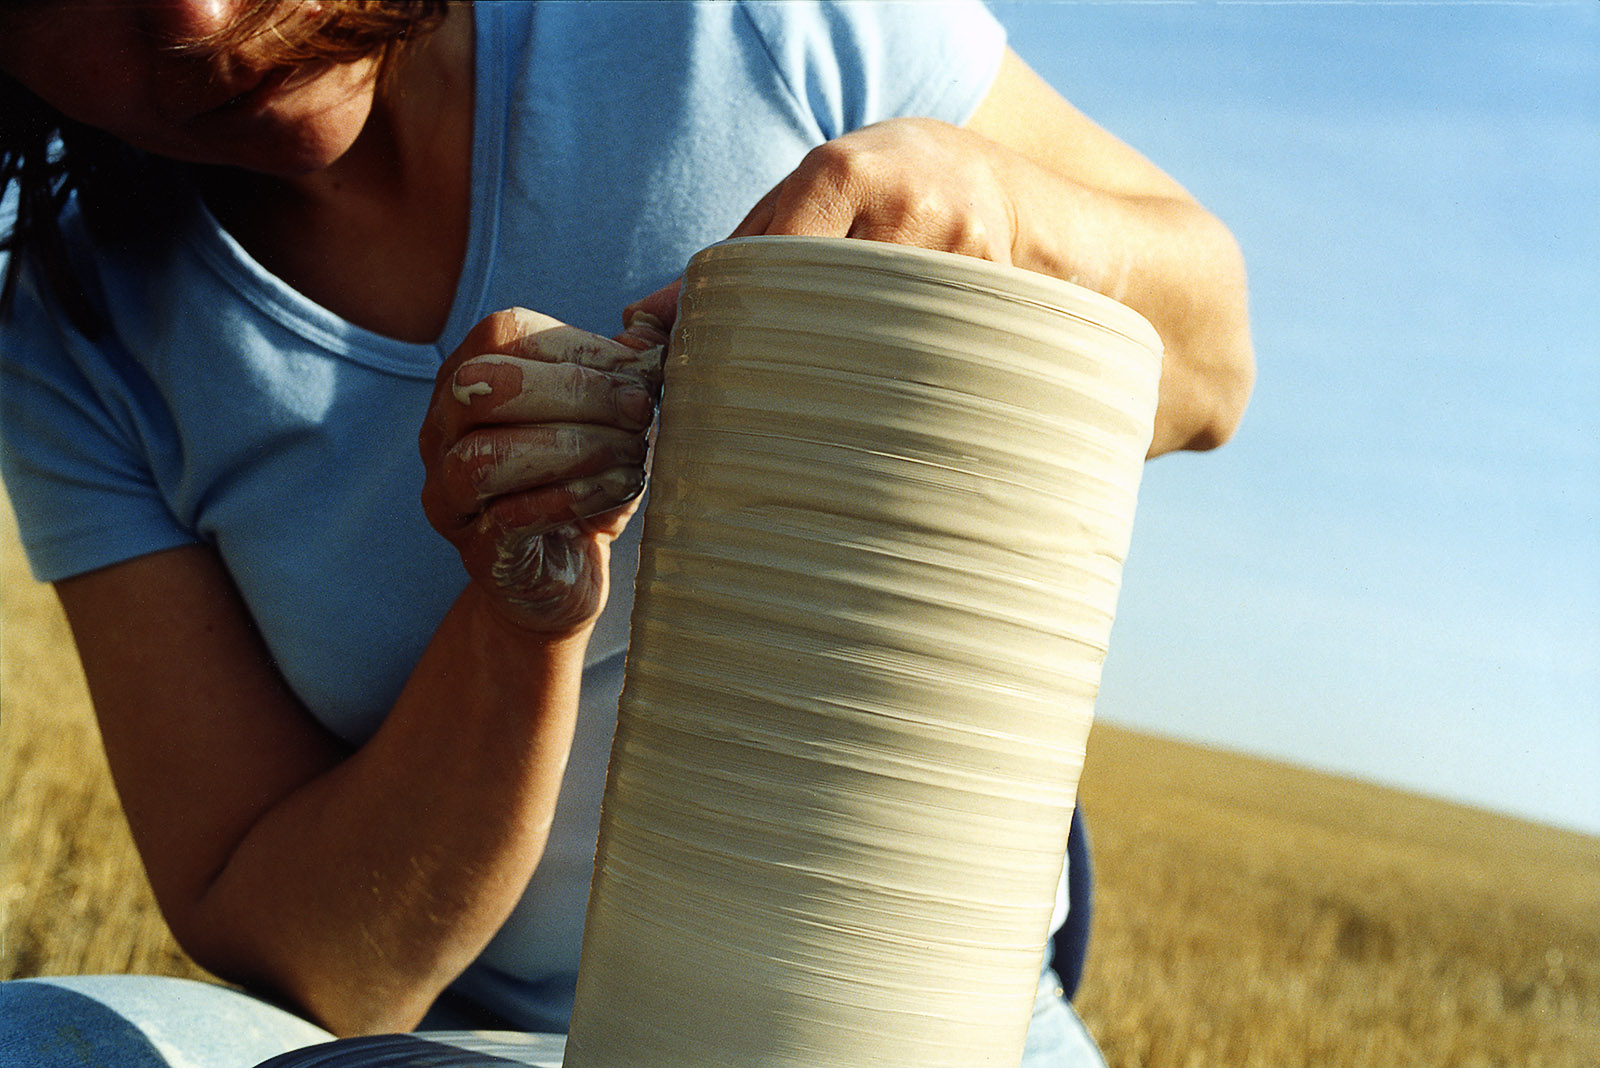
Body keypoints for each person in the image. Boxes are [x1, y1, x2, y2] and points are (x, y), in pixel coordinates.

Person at [0, 2, 1254, 1065]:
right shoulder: (71, 329)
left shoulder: (732, 22)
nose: (195, 21)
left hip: (944, 1019)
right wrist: (513, 615)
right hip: (494, 1039)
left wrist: (1001, 213)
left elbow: (1211, 369)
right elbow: (333, 973)